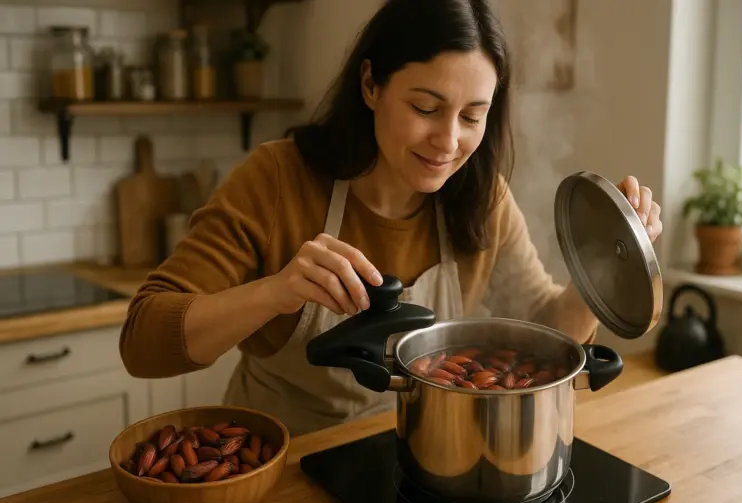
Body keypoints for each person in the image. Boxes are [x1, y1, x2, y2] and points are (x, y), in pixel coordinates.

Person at [119, 0, 662, 436]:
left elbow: (546, 335)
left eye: (473, 116)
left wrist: (606, 262)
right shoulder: (277, 179)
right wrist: (275, 292)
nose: (449, 142)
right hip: (281, 461)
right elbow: (143, 341)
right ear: (371, 85)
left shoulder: (480, 196)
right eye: (425, 108)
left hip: (419, 453)